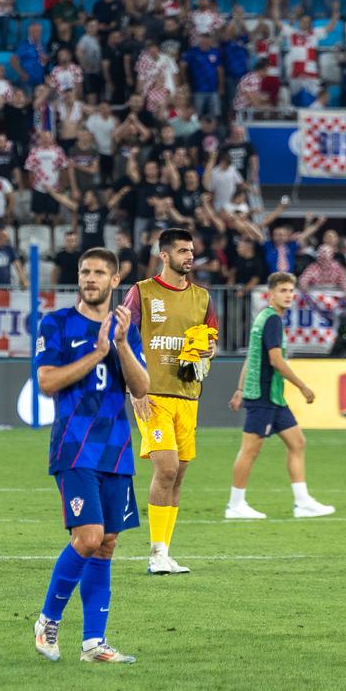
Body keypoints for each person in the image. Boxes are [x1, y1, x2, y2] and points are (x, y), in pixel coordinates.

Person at [32, 247, 150, 664]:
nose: (91, 278)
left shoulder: (125, 326)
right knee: (88, 538)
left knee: (108, 544)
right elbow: (47, 381)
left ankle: (93, 644)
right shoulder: (57, 323)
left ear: (115, 280)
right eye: (85, 272)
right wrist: (96, 354)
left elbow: (140, 387)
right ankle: (47, 620)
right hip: (75, 445)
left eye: (100, 272)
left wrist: (118, 345)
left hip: (116, 448)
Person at [122, 228, 218, 576]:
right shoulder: (142, 293)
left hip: (188, 396)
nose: (189, 256)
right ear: (164, 256)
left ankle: (164, 551)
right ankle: (154, 553)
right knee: (166, 468)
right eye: (182, 251)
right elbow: (123, 339)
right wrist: (134, 390)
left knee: (178, 476)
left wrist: (208, 352)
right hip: (153, 395)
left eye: (191, 250)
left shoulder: (203, 298)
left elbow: (211, 344)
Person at [226, 273, 335, 519]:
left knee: (297, 442)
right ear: (271, 294)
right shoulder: (272, 320)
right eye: (283, 290)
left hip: (272, 396)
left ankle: (302, 502)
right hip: (264, 395)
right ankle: (235, 505)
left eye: (290, 291)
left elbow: (251, 357)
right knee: (250, 450)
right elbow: (275, 361)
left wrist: (240, 389)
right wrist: (302, 386)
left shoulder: (264, 318)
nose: (288, 295)